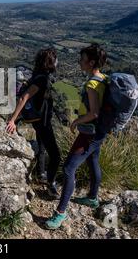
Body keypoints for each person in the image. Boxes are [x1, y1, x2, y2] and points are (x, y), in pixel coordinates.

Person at [45, 43, 109, 230]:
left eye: (82, 60)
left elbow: (94, 112)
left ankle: (61, 213)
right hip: (100, 132)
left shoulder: (91, 83)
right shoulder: (103, 78)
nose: (79, 62)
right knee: (93, 161)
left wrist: (77, 121)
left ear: (91, 62)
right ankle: (92, 198)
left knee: (68, 169)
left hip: (89, 132)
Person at [6, 48, 61, 198]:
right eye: (55, 59)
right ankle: (51, 185)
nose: (57, 62)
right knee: (56, 156)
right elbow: (24, 97)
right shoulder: (42, 79)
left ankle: (41, 173)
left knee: (42, 147)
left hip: (40, 120)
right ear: (50, 62)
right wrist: (12, 119)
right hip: (43, 122)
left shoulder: (39, 74)